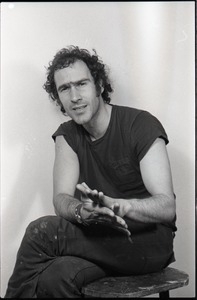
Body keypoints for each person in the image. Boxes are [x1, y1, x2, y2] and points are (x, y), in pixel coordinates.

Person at [5, 46, 177, 298]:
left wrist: (121, 206)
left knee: (40, 231)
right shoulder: (67, 135)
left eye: (81, 83)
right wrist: (80, 211)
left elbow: (166, 206)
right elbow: (61, 198)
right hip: (100, 239)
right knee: (58, 275)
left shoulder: (140, 124)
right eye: (65, 88)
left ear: (98, 85)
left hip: (148, 243)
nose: (74, 96)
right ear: (58, 97)